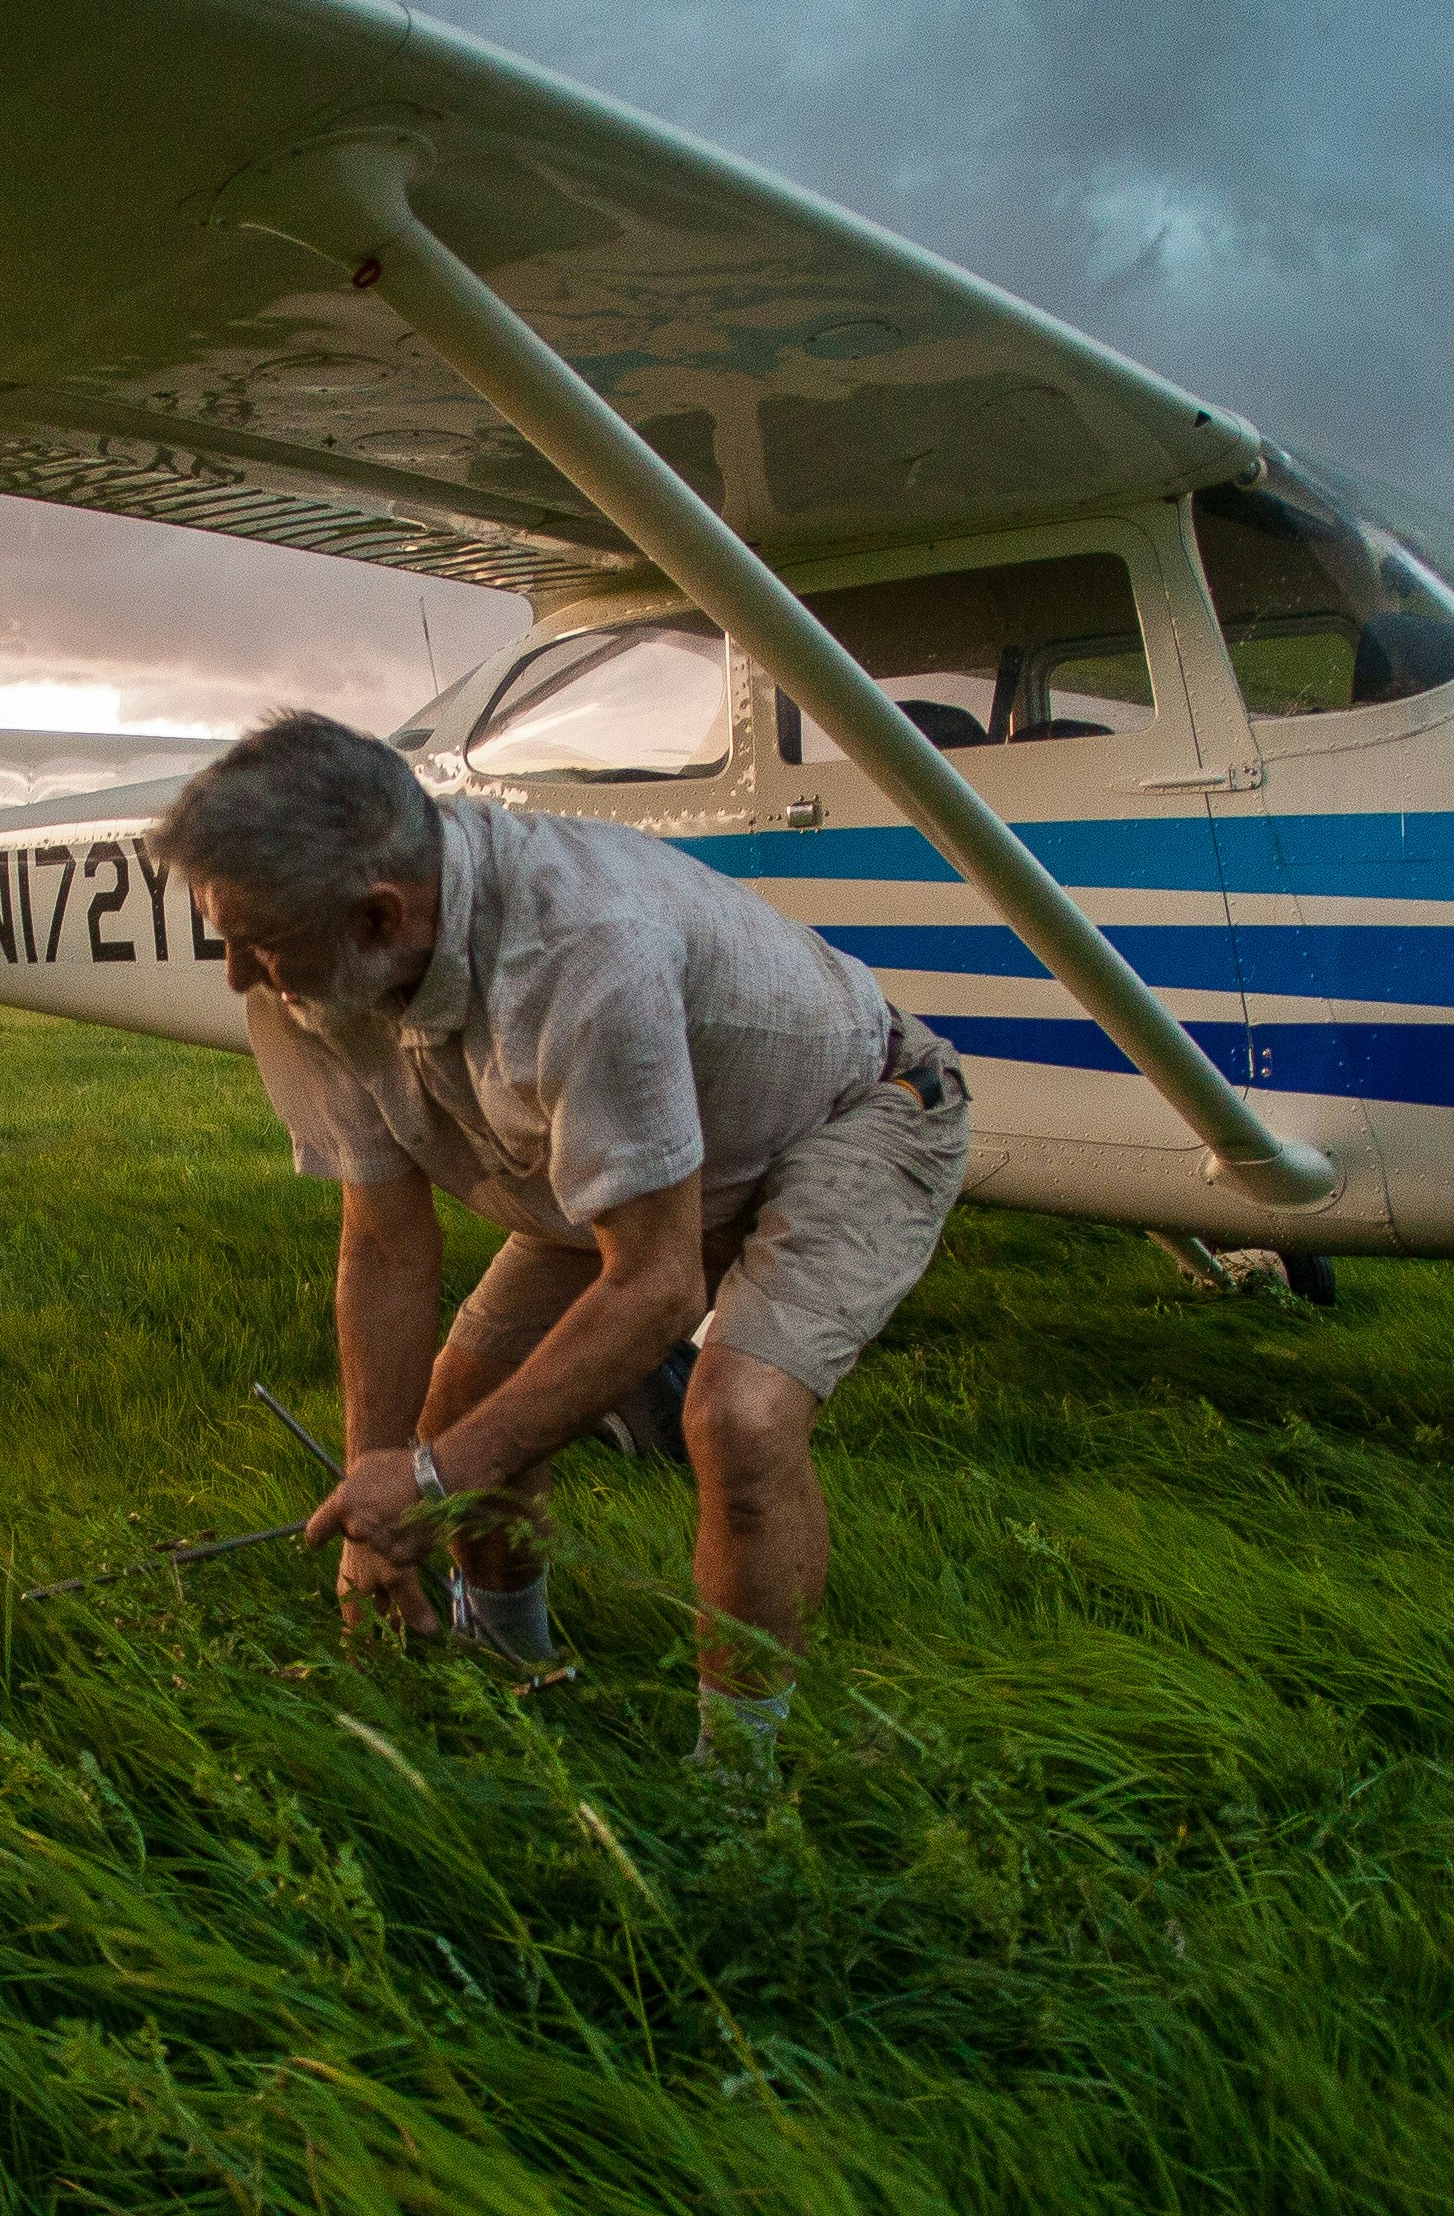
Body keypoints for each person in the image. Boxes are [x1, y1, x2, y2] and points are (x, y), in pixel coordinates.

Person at [141, 707, 970, 1772]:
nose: (238, 979)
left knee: (739, 1417)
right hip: (646, 1159)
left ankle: (738, 1790)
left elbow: (659, 1286)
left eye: (257, 945)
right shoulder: (314, 977)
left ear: (380, 919)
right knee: (464, 1409)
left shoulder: (585, 951)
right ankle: (512, 1682)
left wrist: (433, 1484)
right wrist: (380, 1489)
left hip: (857, 1105)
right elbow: (386, 1245)